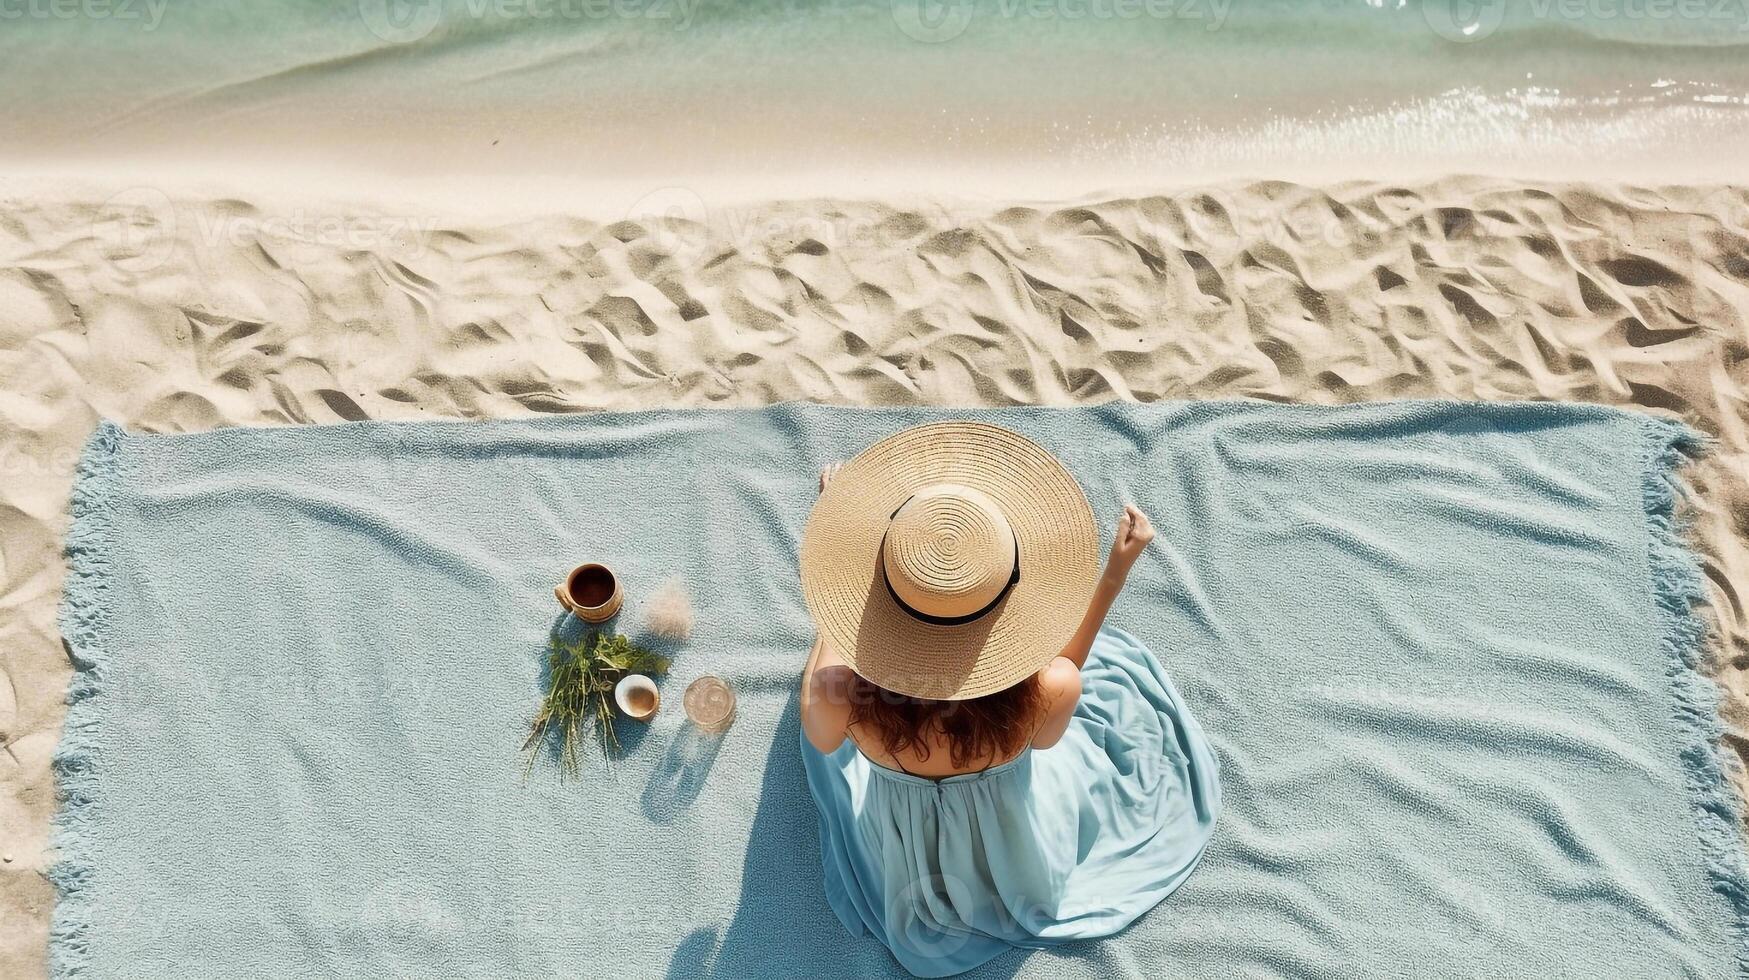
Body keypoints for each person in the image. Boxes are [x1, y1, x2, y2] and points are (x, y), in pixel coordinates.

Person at [797, 420, 1222, 977]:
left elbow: (822, 741)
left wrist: (838, 619)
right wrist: (1112, 575)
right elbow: (1064, 679)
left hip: (905, 842)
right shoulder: (1050, 690)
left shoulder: (841, 697)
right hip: (1018, 838)